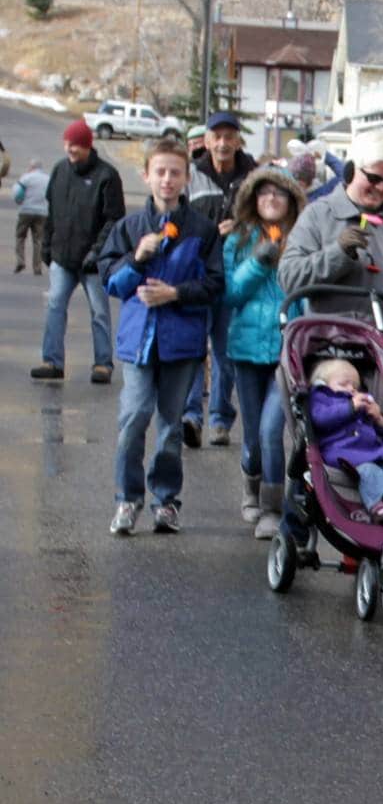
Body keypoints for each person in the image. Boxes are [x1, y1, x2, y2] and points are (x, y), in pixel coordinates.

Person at [99, 137, 225, 535]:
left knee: (171, 426)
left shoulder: (202, 230)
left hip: (181, 342)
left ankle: (166, 500)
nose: (167, 180)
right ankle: (127, 498)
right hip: (138, 340)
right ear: (146, 176)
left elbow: (215, 285)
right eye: (160, 172)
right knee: (133, 418)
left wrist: (175, 293)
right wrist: (138, 259)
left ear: (187, 178)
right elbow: (111, 283)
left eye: (175, 173)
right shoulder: (130, 227)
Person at [280, 128, 383, 328]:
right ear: (350, 171)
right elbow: (289, 277)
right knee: (339, 363)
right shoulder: (318, 216)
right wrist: (337, 254)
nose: (381, 188)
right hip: (337, 344)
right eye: (374, 179)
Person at [219, 170, 303, 537]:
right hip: (246, 350)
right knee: (252, 436)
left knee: (273, 429)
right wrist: (258, 262)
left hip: (285, 352)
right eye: (264, 192)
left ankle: (273, 508)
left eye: (279, 193)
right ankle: (250, 486)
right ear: (253, 198)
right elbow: (231, 294)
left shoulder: (301, 241)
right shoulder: (238, 239)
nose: (271, 199)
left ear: (291, 201)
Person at [184, 112, 262, 446]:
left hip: (235, 275)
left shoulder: (254, 176)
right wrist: (205, 233)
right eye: (217, 136)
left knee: (225, 350)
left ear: (237, 140)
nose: (223, 143)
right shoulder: (191, 175)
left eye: (229, 136)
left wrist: (243, 229)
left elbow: (269, 220)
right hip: (198, 272)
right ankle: (190, 416)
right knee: (191, 347)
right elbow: (177, 219)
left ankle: (219, 417)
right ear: (206, 139)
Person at [33, 119, 125, 383]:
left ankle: (103, 364)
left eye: (77, 145)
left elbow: (113, 219)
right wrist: (47, 247)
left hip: (93, 261)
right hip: (63, 257)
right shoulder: (59, 171)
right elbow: (51, 213)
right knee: (54, 305)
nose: (71, 149)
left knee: (99, 311)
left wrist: (97, 253)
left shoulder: (106, 176)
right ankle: (52, 361)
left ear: (88, 146)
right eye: (68, 144)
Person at [306, 357, 383, 524]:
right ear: (323, 383)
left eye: (354, 386)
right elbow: (320, 419)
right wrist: (350, 407)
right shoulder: (322, 397)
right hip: (343, 450)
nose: (351, 389)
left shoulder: (362, 400)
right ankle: (378, 506)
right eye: (344, 384)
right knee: (370, 471)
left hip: (372, 450)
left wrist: (379, 419)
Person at [13, 158, 49, 276]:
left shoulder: (26, 178)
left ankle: (20, 261)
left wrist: (19, 201)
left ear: (31, 167)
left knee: (20, 236)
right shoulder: (47, 179)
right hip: (42, 213)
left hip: (26, 211)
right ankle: (37, 267)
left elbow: (17, 193)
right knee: (38, 240)